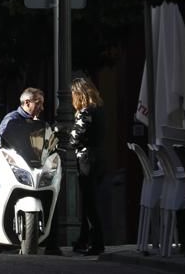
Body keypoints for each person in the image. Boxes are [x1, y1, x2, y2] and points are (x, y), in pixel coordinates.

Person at [0, 87, 46, 223]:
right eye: (38, 102)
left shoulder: (37, 123)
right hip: (6, 160)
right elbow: (5, 137)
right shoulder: (11, 119)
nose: (42, 107)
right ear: (27, 103)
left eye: (42, 103)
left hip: (28, 163)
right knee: (2, 182)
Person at [69, 77, 105, 255]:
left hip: (86, 159)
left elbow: (75, 138)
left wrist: (68, 137)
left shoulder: (85, 112)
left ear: (78, 94)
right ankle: (84, 240)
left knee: (89, 202)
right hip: (98, 157)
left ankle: (96, 242)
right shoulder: (99, 110)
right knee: (90, 201)